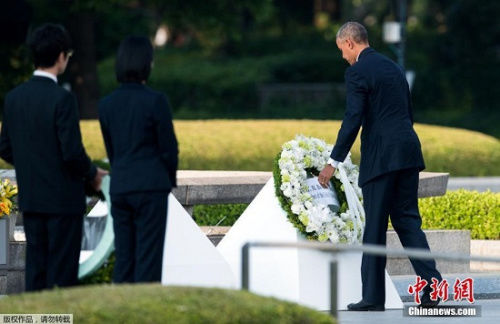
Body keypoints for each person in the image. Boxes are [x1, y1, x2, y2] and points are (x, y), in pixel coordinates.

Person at [318, 22, 442, 310]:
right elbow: (407, 112)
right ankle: (432, 289)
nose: (343, 58)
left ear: (349, 42)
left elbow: (353, 119)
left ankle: (373, 298)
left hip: (381, 160)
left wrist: (332, 162)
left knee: (374, 227)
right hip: (408, 152)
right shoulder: (394, 67)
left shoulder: (357, 72)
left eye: (342, 50)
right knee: (408, 221)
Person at [0, 23, 107, 291]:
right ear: (61, 56)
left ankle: (35, 320)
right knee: (61, 277)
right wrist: (93, 174)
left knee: (36, 272)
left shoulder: (13, 98)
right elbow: (71, 152)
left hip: (33, 199)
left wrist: (31, 162)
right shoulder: (62, 99)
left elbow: (4, 147)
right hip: (63, 202)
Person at [98, 36, 178, 283]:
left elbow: (112, 151)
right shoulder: (156, 101)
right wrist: (168, 179)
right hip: (151, 187)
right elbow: (169, 149)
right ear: (147, 63)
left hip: (121, 187)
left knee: (124, 257)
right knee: (148, 258)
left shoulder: (106, 105)